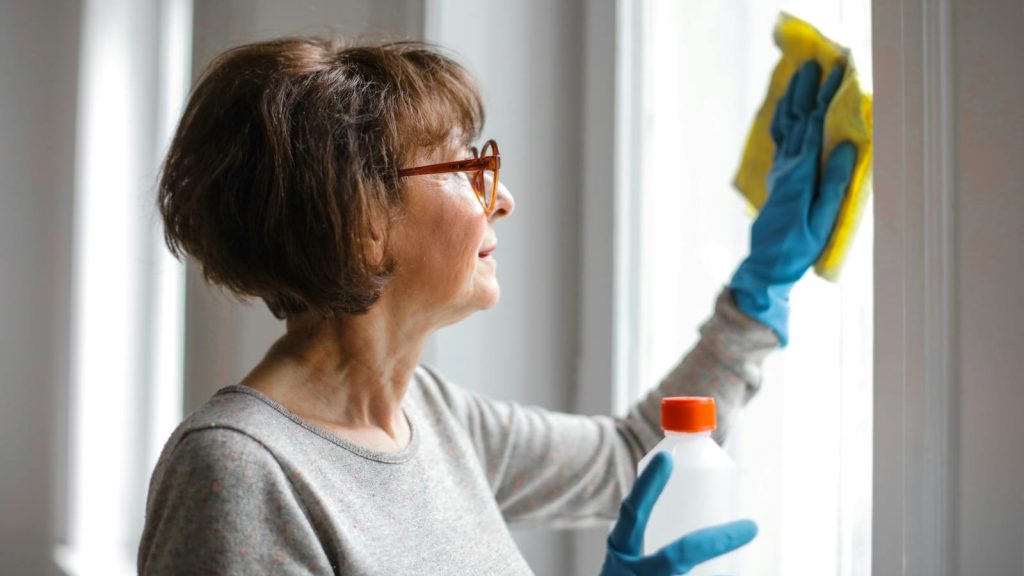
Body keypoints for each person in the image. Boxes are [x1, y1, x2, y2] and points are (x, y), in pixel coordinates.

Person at [138, 37, 854, 575]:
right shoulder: (238, 474)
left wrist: (761, 288)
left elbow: (634, 457)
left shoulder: (436, 418)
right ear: (358, 220)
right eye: (466, 167)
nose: (502, 198)